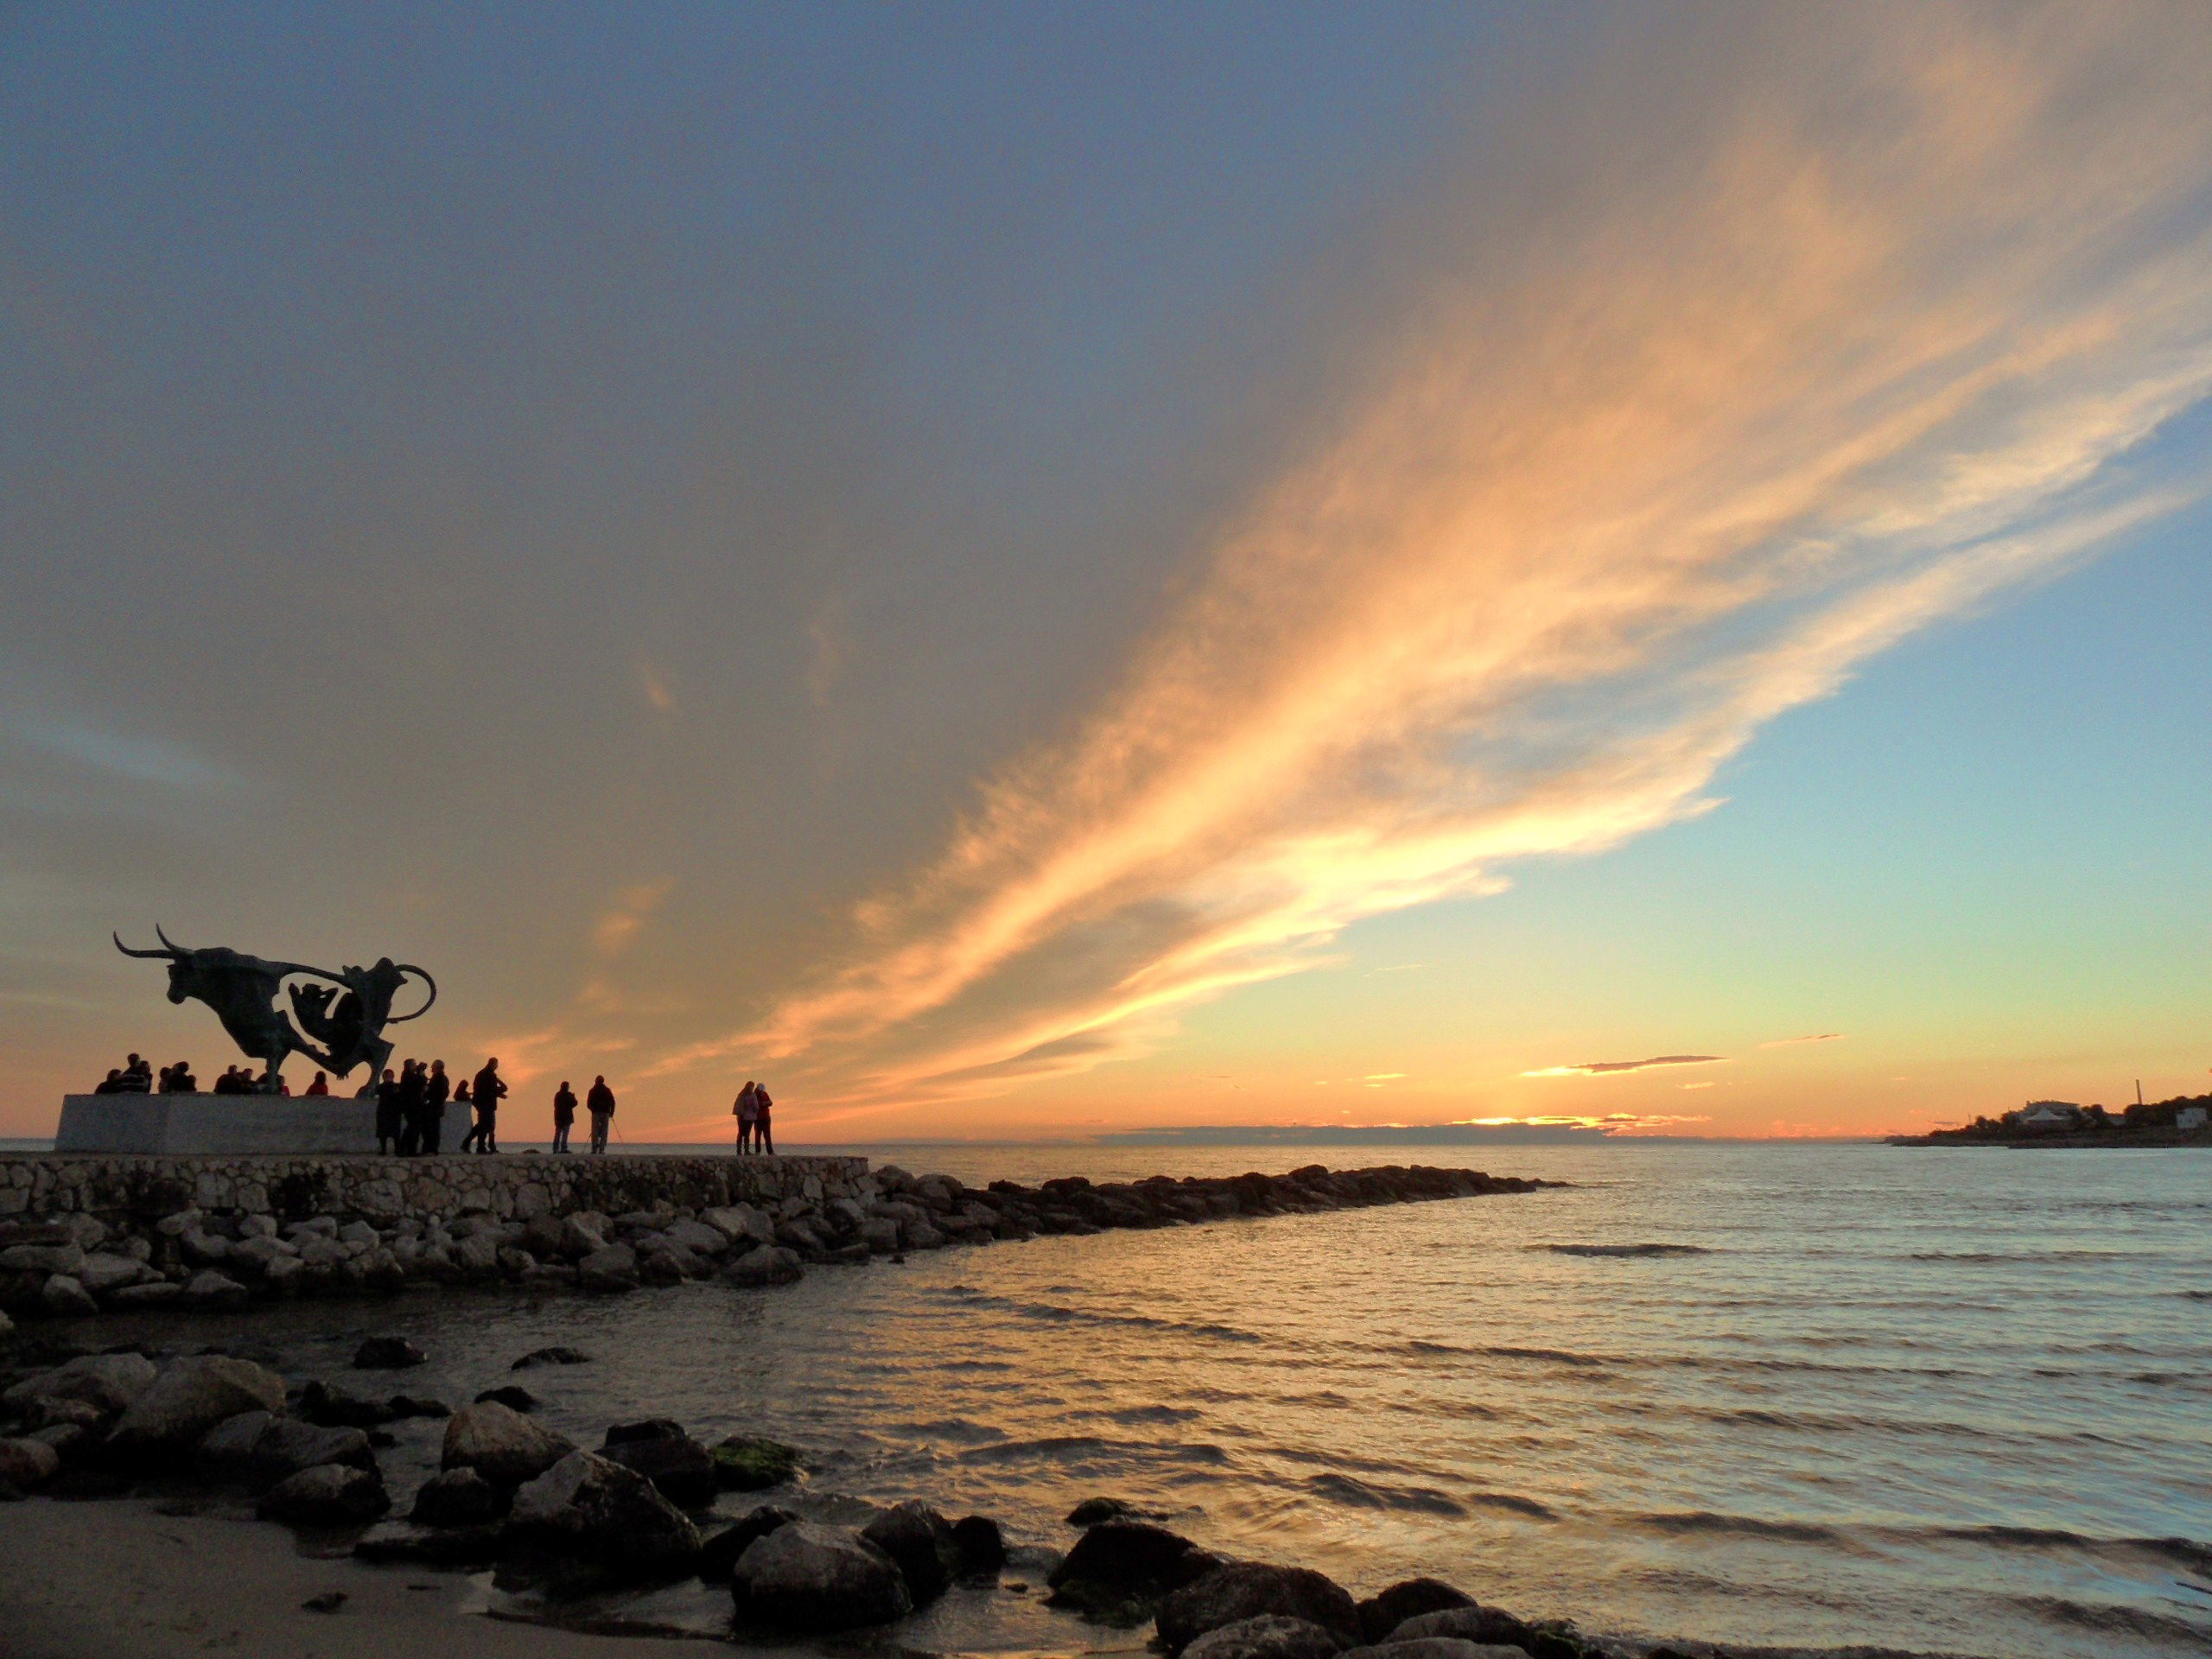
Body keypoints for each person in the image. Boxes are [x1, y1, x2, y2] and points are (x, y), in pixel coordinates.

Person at [469, 1057, 507, 1154]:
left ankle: (484, 1146)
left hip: (482, 1104)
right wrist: (498, 1082)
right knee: (486, 1126)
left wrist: (498, 1093)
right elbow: (490, 1090)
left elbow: (486, 1090)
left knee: (485, 1126)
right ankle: (482, 1147)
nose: (497, 1067)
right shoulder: (489, 1075)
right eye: (496, 1065)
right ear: (493, 1064)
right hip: (487, 1105)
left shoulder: (481, 1074)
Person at [395, 1058, 427, 1155]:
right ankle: (405, 1149)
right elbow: (420, 1082)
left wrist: (420, 1072)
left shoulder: (410, 1075)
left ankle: (409, 1149)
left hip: (414, 1106)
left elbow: (422, 1082)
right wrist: (421, 1072)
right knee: (412, 1128)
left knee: (414, 1128)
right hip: (411, 1106)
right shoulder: (407, 1075)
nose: (415, 1066)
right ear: (408, 1066)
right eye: (414, 1065)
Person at [422, 1059, 449, 1155]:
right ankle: (432, 1149)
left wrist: (427, 1091)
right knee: (434, 1129)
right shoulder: (443, 1078)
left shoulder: (438, 1079)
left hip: (434, 1108)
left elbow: (433, 1093)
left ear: (436, 1067)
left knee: (431, 1129)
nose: (431, 1068)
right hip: (438, 1108)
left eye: (433, 1066)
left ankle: (431, 1149)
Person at [373, 1067, 402, 1154]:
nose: (389, 1077)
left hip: (394, 1112)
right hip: (384, 1112)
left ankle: (397, 1150)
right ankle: (383, 1150)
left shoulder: (397, 1086)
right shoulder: (381, 1087)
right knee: (383, 1133)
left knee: (396, 1132)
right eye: (388, 1076)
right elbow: (377, 1092)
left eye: (391, 1076)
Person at [586, 1075, 615, 1154]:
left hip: (596, 1113)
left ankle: (594, 1147)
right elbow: (612, 1102)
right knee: (604, 1131)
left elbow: (588, 1103)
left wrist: (593, 1110)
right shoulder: (607, 1090)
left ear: (596, 1081)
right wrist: (611, 1112)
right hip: (605, 1113)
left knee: (594, 1130)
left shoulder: (592, 1091)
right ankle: (602, 1149)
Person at [551, 1081, 576, 1153]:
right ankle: (563, 1148)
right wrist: (573, 1097)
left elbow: (556, 1106)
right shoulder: (569, 1095)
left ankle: (555, 1149)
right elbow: (574, 1104)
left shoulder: (558, 1095)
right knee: (565, 1134)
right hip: (567, 1117)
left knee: (558, 1134)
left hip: (559, 1117)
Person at [734, 1080, 759, 1154]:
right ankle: (746, 1151)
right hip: (749, 1117)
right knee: (747, 1134)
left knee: (740, 1133)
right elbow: (756, 1106)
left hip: (740, 1116)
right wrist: (756, 1111)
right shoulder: (752, 1095)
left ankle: (739, 1151)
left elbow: (737, 1105)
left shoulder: (741, 1094)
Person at [753, 1083, 773, 1155]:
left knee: (767, 1135)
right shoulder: (754, 1095)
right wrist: (763, 1103)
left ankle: (770, 1152)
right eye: (760, 1090)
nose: (762, 1091)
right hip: (758, 1118)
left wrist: (767, 1103)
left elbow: (770, 1102)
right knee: (758, 1136)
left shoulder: (765, 1094)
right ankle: (758, 1151)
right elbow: (755, 1105)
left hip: (766, 1117)